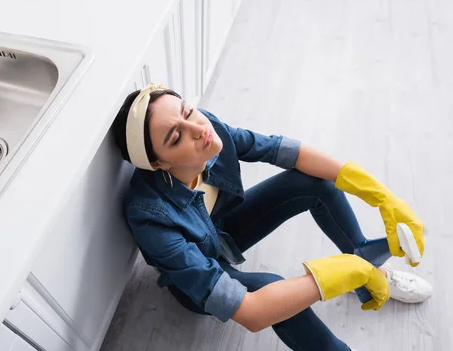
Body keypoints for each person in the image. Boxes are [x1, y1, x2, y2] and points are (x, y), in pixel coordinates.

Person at [111, 84, 433, 351]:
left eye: (187, 111)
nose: (198, 129)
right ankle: (355, 289)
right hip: (199, 275)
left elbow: (286, 151)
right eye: (175, 137)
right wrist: (341, 274)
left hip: (221, 230)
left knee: (312, 182)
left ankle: (368, 265)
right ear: (160, 164)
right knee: (271, 293)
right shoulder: (149, 217)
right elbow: (252, 314)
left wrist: (380, 195)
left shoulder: (207, 129)